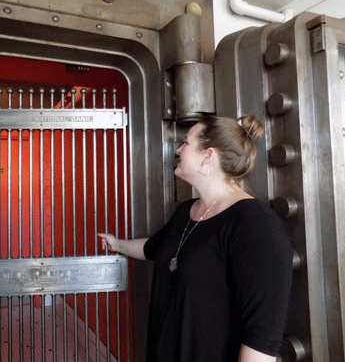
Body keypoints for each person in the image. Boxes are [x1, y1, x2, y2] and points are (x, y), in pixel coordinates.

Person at [99, 114, 292, 362]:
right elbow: (153, 248)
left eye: (186, 143)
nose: (178, 150)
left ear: (208, 155)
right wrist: (117, 244)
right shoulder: (186, 211)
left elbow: (261, 341)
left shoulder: (254, 224)